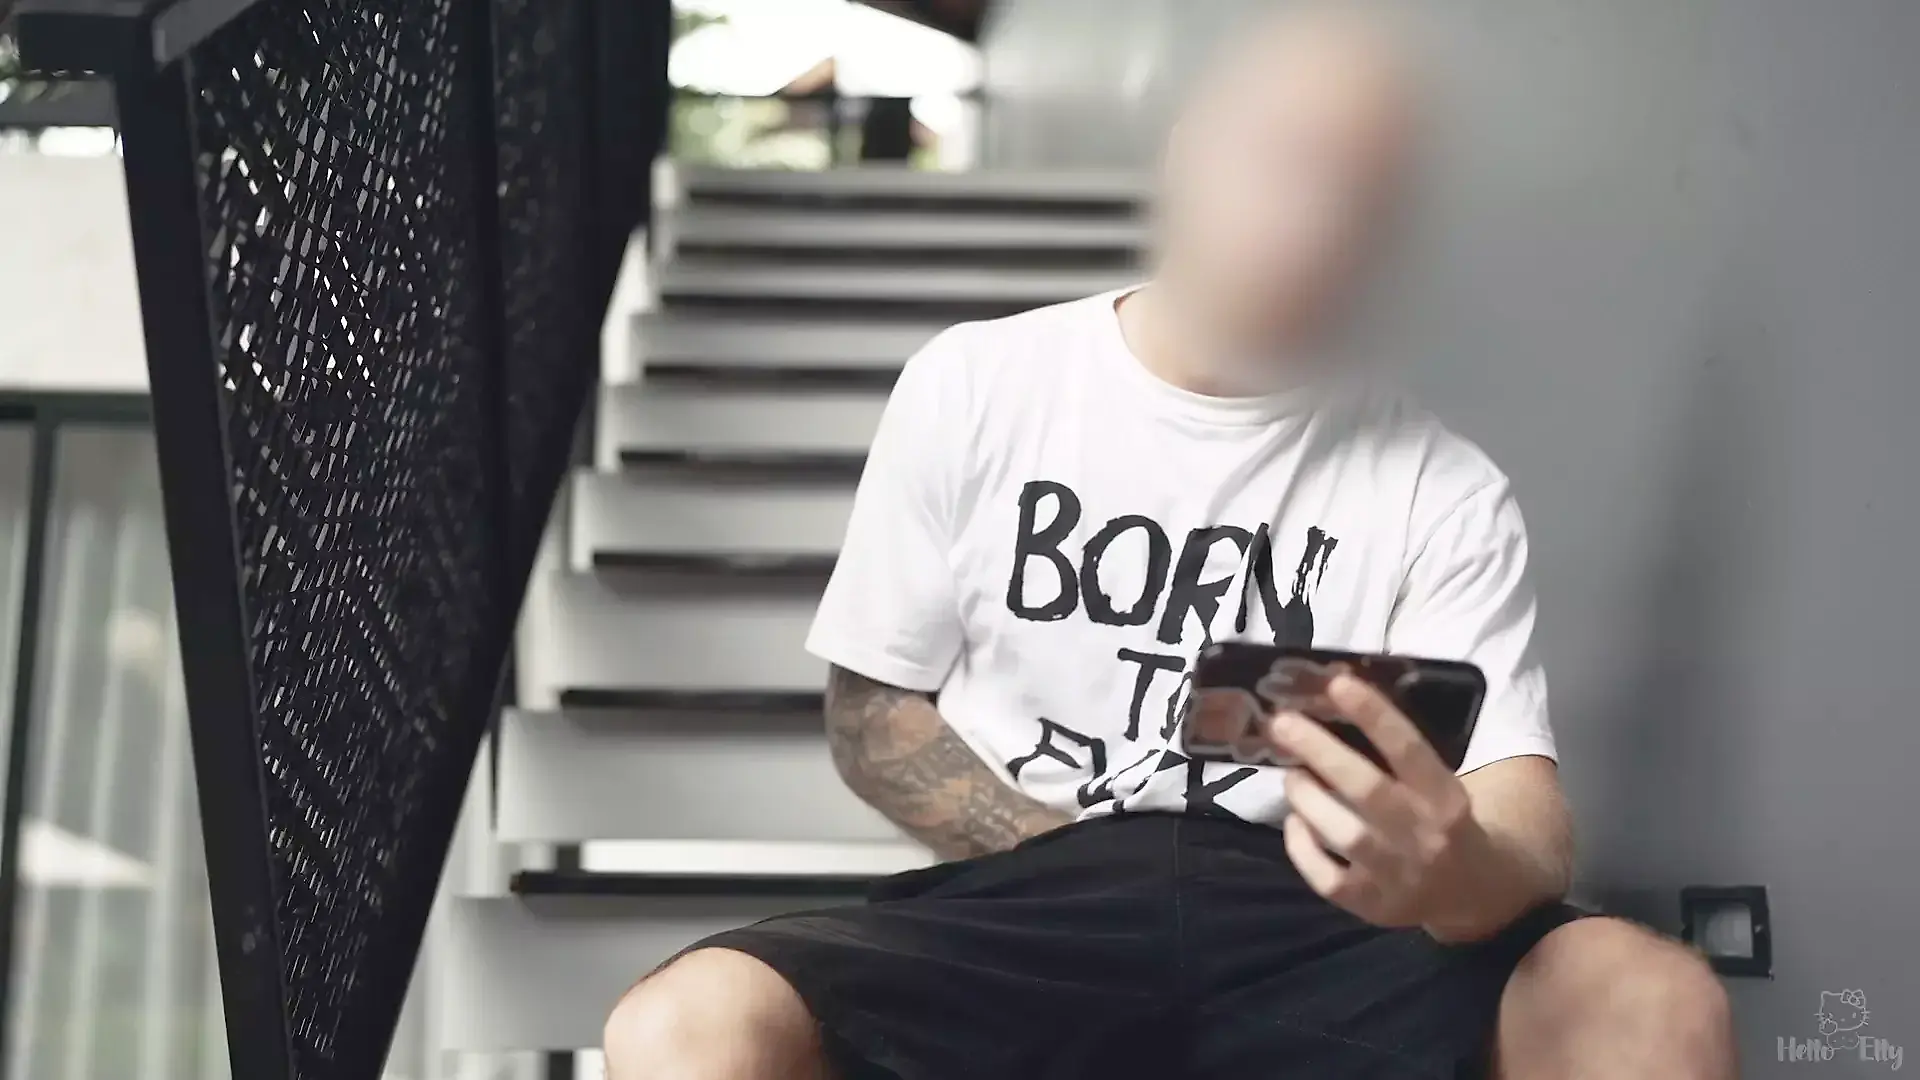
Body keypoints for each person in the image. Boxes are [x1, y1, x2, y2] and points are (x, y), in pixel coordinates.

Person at [603, 6, 1736, 1078]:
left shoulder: (1443, 488)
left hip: (1328, 923)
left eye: (1362, 199)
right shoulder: (977, 383)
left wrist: (1451, 869)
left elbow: (1523, 810)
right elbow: (871, 710)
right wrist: (1055, 852)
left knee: (1649, 998)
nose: (1313, 224)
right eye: (1285, 162)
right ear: (1191, 154)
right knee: (686, 1024)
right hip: (1027, 900)